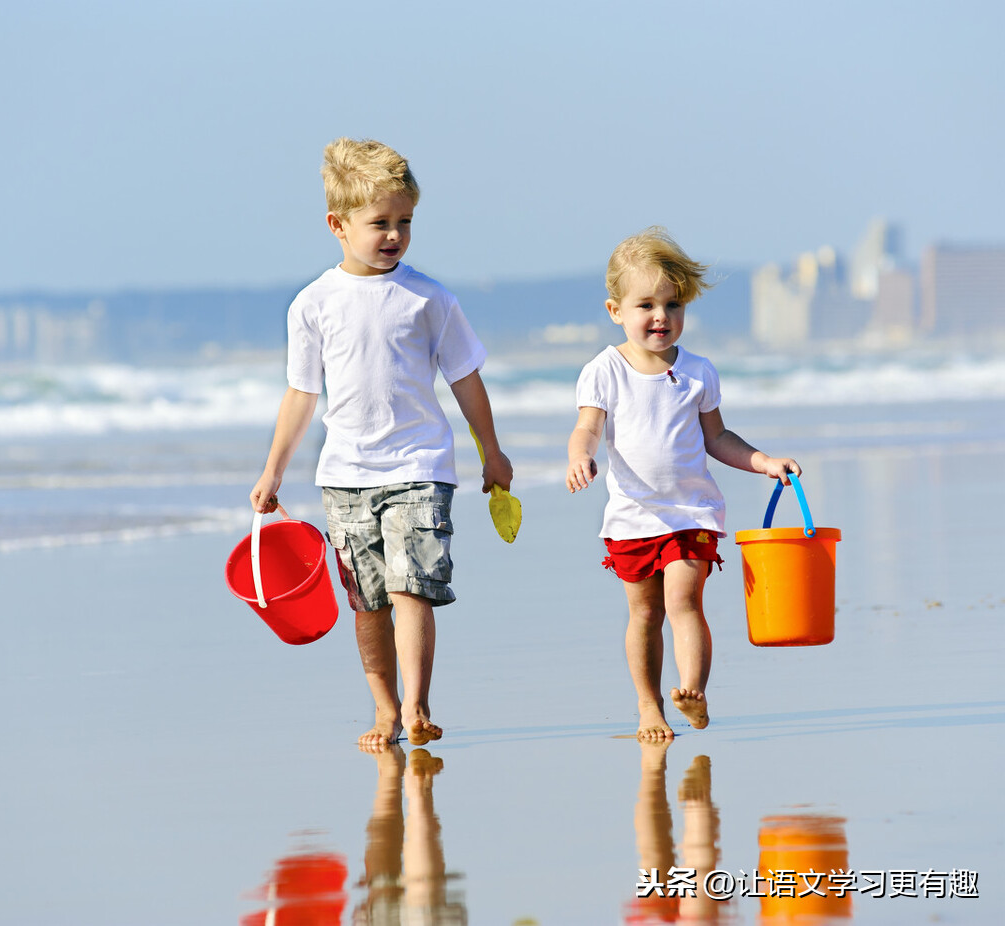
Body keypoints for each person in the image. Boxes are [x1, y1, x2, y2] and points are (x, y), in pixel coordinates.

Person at [250, 137, 512, 748]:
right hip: (345, 475)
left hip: (420, 466)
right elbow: (300, 396)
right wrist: (273, 471)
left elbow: (466, 379)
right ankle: (385, 710)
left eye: (405, 222)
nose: (394, 234)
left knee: (411, 585)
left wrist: (490, 450)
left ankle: (418, 707)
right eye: (380, 223)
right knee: (368, 601)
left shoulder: (429, 298)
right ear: (337, 225)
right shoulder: (313, 304)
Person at [565, 227, 800, 741]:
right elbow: (587, 426)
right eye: (645, 305)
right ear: (615, 310)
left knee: (683, 601)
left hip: (692, 512)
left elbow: (717, 437)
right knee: (644, 612)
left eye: (673, 305)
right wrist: (579, 456)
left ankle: (692, 691)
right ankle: (649, 705)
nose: (661, 317)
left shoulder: (698, 372)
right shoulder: (604, 370)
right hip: (631, 517)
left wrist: (762, 461)